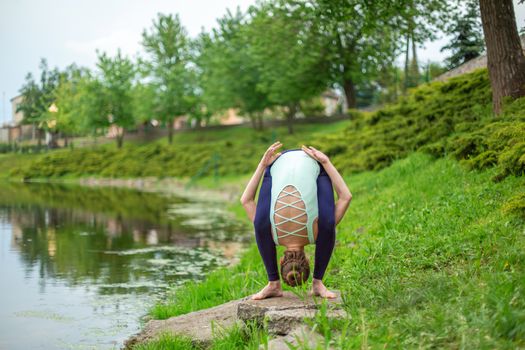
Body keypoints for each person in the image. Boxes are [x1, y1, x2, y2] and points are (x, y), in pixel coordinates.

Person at [240, 141, 352, 300]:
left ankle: (316, 282)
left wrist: (325, 162)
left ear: (308, 260)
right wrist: (264, 165)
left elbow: (346, 197)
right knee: (260, 224)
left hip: (313, 162)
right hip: (277, 165)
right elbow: (246, 200)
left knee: (328, 224)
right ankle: (273, 283)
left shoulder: (318, 231)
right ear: (280, 261)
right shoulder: (270, 233)